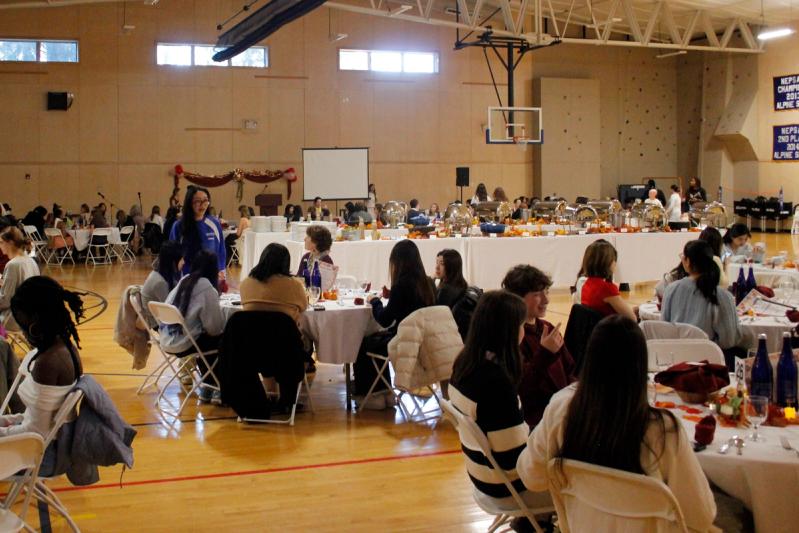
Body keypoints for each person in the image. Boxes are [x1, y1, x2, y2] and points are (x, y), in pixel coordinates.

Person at [516, 315, 717, 533]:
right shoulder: (663, 429)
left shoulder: (562, 410)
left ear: (590, 359)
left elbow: (531, 476)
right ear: (640, 368)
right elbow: (701, 515)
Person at [449, 290, 553, 532]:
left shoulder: (463, 364)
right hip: (506, 486)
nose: (524, 330)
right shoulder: (495, 383)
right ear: (507, 331)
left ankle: (533, 521)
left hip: (482, 475)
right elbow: (515, 461)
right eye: (520, 324)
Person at [0, 276, 85, 439]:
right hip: (46, 438)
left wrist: (4, 431)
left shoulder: (47, 363)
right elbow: (37, 418)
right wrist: (8, 421)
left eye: (22, 326)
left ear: (34, 324)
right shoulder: (66, 346)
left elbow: (36, 432)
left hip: (40, 451)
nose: (22, 332)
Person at [355, 240, 435, 409]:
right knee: (377, 341)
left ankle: (372, 395)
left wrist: (374, 301)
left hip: (405, 341)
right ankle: (385, 393)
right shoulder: (428, 282)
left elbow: (384, 319)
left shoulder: (402, 284)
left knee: (364, 343)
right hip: (424, 340)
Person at [503, 265, 576, 428]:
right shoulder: (512, 336)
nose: (546, 300)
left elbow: (571, 369)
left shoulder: (547, 328)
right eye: (537, 294)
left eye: (546, 292)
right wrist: (545, 354)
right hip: (541, 421)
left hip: (563, 409)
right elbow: (521, 390)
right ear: (518, 298)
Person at [662, 240, 744, 368]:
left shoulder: (671, 290)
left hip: (676, 361)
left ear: (687, 261)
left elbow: (664, 330)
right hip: (711, 363)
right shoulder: (721, 295)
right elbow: (729, 340)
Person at [159, 250, 224, 403]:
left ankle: (208, 386)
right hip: (185, 343)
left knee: (205, 341)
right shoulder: (206, 286)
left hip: (167, 339)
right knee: (223, 339)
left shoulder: (185, 280)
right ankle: (218, 386)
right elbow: (215, 328)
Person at [240, 243, 308, 324]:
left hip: (250, 334)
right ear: (286, 263)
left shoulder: (245, 283)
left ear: (262, 259)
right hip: (285, 334)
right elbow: (304, 307)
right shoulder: (295, 285)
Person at [169, 186, 226, 279]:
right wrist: (177, 261)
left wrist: (221, 269)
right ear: (189, 203)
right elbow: (171, 250)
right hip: (187, 276)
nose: (203, 204)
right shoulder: (178, 226)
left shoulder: (214, 223)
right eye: (198, 201)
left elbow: (221, 250)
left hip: (210, 275)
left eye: (206, 200)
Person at [655, 228, 728, 300]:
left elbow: (659, 289)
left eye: (684, 257)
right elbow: (724, 285)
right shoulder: (715, 263)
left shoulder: (676, 286)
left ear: (688, 262)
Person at [579, 240, 637, 321]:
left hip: (595, 329)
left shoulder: (586, 284)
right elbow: (632, 319)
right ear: (607, 263)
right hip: (610, 330)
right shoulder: (607, 288)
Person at [0, 227, 40, 330]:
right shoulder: (31, 261)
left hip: (14, 318)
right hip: (32, 316)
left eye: (1, 242)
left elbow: (5, 301)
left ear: (10, 243)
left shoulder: (13, 264)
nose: (0, 246)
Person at [140, 240, 183, 329]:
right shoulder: (160, 282)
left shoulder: (165, 274)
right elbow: (170, 311)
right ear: (172, 261)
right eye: (181, 259)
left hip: (163, 317)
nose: (183, 262)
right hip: (159, 323)